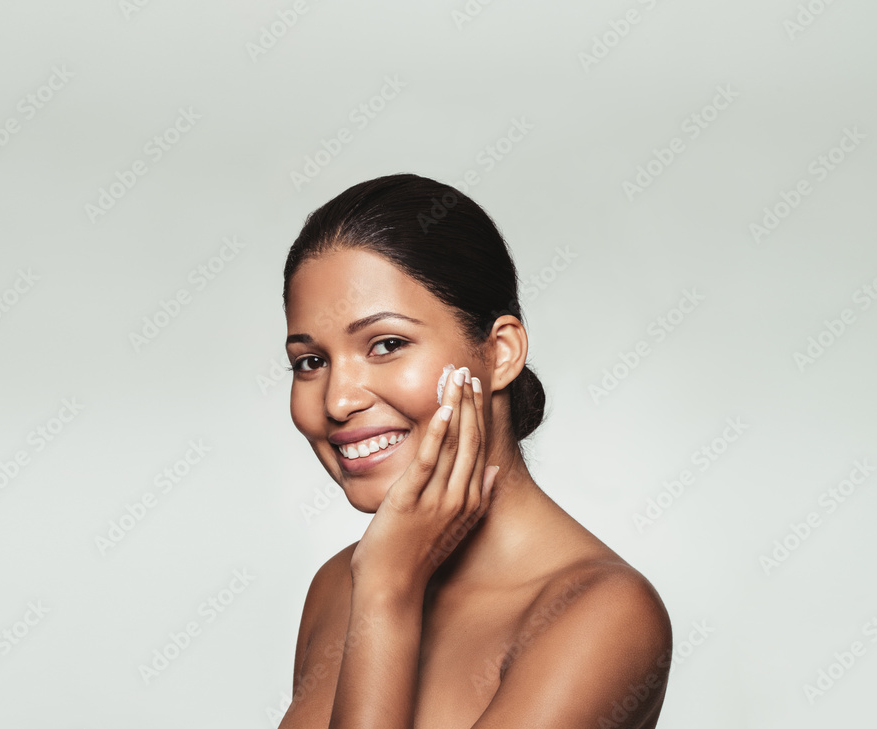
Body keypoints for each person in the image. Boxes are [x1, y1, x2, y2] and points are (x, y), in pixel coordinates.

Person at [278, 173, 672, 729]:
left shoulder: (602, 612)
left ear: (500, 353)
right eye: (310, 361)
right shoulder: (339, 585)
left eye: (386, 344)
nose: (338, 400)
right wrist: (380, 584)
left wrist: (388, 593)